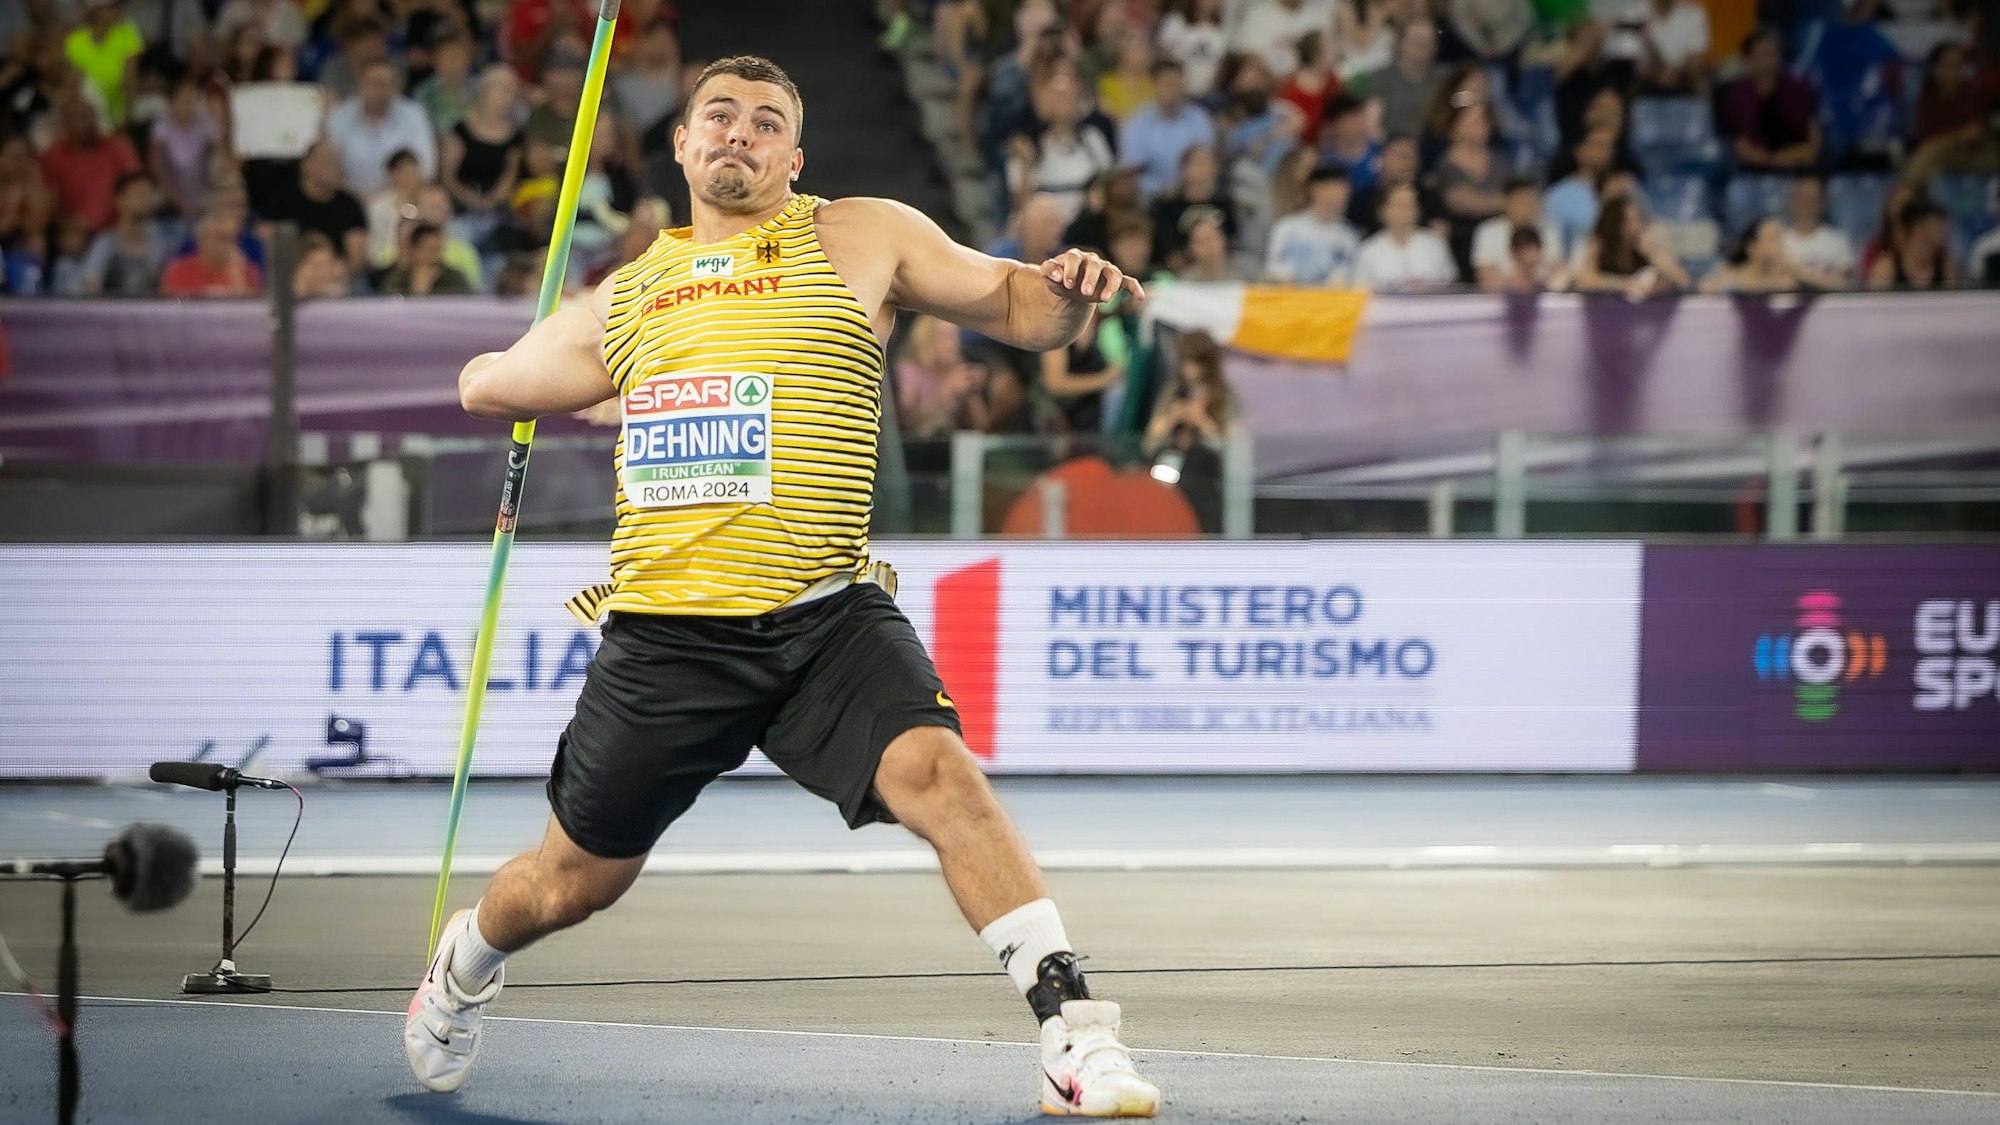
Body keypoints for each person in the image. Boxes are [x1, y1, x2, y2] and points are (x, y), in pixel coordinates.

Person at [404, 55, 1162, 1119]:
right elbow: (491, 383)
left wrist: (1068, 292)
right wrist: (501, 379)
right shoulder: (629, 295)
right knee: (572, 883)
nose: (740, 134)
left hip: (823, 616)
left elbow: (1016, 306)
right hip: (668, 639)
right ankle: (462, 965)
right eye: (719, 115)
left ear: (792, 157)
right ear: (680, 144)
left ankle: (1075, 1036)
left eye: (766, 123)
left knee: (941, 777)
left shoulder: (861, 235)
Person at [325, 57, 439, 192]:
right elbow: (328, 167)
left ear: (397, 87)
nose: (380, 91)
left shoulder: (414, 114)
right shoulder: (339, 117)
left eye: (386, 84)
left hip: (400, 198)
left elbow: (426, 168)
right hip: (351, 199)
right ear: (360, 85)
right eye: (374, 83)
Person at [1716, 28, 1820, 174]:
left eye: (1773, 53)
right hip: (1757, 167)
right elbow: (1740, 147)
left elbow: (1814, 144)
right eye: (1763, 54)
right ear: (1747, 59)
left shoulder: (1800, 89)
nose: (1770, 59)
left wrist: (1788, 157)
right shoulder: (1735, 97)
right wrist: (1771, 160)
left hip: (1797, 163)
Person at [39, 95, 142, 235]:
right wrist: (67, 228)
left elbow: (137, 188)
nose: (80, 121)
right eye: (73, 117)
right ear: (64, 122)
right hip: (72, 235)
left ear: (95, 117)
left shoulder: (118, 147)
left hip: (119, 229)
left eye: (84, 115)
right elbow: (48, 201)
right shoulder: (53, 157)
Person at [265, 140, 370, 276]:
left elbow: (356, 259)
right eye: (328, 162)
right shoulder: (282, 200)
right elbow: (267, 241)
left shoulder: (350, 205)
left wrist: (332, 273)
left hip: (338, 277)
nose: (336, 168)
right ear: (307, 166)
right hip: (290, 274)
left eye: (338, 162)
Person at [1117, 58, 1217, 199]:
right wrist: (1162, 190)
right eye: (1167, 84)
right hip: (1152, 200)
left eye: (1177, 84)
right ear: (1155, 86)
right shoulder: (1136, 124)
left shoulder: (1200, 119)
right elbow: (1131, 173)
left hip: (1194, 195)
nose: (1173, 90)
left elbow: (1207, 163)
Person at [1573, 194, 1690, 297]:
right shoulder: (1598, 245)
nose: (1636, 227)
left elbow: (1682, 280)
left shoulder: (1646, 246)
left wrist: (1652, 252)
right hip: (1603, 311)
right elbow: (1585, 281)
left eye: (1638, 220)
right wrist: (1624, 284)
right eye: (1629, 222)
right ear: (1615, 224)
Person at [78, 171, 174, 296]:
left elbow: (167, 285)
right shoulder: (105, 243)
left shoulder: (160, 241)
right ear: (120, 200)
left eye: (149, 194)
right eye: (140, 194)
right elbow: (89, 285)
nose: (146, 199)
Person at [1265, 165, 1361, 284]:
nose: (1340, 194)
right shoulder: (1287, 228)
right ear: (1315, 188)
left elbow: (1349, 276)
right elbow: (1273, 268)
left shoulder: (1349, 237)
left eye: (1344, 188)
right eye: (1334, 186)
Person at [1354, 181, 1456, 290]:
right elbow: (1361, 292)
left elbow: (1450, 284)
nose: (1404, 211)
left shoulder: (1435, 244)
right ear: (1382, 210)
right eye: (1399, 204)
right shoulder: (1368, 251)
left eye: (1410, 204)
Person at [1701, 215, 1845, 293]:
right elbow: (1705, 287)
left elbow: (1842, 286)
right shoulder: (1732, 273)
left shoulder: (1791, 275)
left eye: (1779, 238)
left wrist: (1800, 273)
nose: (1778, 245)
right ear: (1752, 248)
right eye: (1771, 238)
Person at [64, 0, 146, 127]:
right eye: (110, 7)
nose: (116, 11)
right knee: (88, 87)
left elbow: (130, 80)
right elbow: (73, 85)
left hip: (119, 113)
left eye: (117, 6)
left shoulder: (128, 32)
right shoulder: (76, 41)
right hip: (89, 115)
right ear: (95, 11)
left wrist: (128, 116)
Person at [147, 76, 218, 220]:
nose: (190, 105)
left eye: (194, 99)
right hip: (170, 196)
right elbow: (157, 167)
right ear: (171, 102)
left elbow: (219, 157)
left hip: (203, 193)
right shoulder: (162, 127)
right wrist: (176, 200)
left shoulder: (206, 125)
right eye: (185, 100)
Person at [1473, 177, 1563, 289]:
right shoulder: (1487, 231)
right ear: (1506, 202)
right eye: (1521, 202)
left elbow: (1557, 273)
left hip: (1542, 293)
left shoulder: (1550, 231)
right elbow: (1486, 276)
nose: (1527, 207)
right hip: (1502, 296)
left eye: (1531, 202)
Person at [1364, 17, 1442, 141]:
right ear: (1401, 43)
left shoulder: (1442, 79)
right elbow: (1371, 124)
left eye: (1427, 41)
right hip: (1392, 145)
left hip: (1432, 147)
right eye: (1417, 41)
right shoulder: (1382, 77)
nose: (1422, 46)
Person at [160, 208, 264, 297]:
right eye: (222, 238)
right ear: (202, 240)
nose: (230, 245)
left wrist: (237, 275)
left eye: (233, 239)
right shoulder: (178, 270)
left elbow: (248, 314)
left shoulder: (249, 271)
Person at [1778, 175, 1857, 285]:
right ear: (1792, 200)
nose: (1807, 204)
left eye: (1813, 198)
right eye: (1802, 197)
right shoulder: (1778, 240)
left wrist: (1801, 275)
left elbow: (1846, 284)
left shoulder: (1838, 240)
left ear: (1823, 202)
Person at [1865, 197, 1957, 290]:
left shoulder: (1947, 270)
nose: (1946, 228)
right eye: (1938, 222)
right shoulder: (1886, 268)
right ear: (1918, 226)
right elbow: (1876, 303)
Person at [380, 221, 475, 295]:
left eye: (437, 250)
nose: (433, 256)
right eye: (429, 250)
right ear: (414, 250)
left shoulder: (454, 278)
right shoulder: (399, 279)